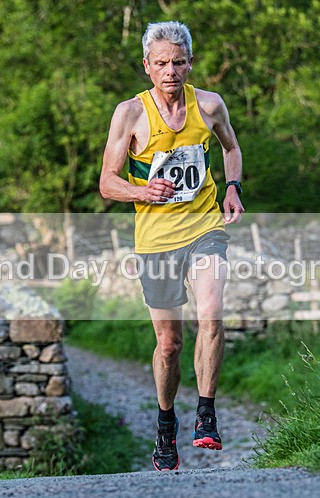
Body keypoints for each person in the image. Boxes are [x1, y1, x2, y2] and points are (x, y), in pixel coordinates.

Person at [99, 21, 245, 471]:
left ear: (190, 64)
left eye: (178, 62)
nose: (170, 71)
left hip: (204, 227)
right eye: (161, 63)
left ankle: (206, 413)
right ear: (147, 66)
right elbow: (107, 183)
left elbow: (231, 149)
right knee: (169, 344)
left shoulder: (210, 104)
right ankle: (166, 425)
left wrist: (233, 187)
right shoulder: (130, 114)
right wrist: (142, 192)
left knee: (213, 316)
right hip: (156, 239)